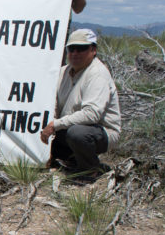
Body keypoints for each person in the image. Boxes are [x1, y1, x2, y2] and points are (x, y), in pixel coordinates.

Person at [39, 29, 120, 181]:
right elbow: (54, 102)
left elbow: (92, 114)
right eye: (71, 49)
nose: (75, 53)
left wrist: (55, 124)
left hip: (100, 131)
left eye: (81, 48)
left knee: (77, 134)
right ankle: (70, 159)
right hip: (68, 127)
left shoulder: (97, 74)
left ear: (93, 50)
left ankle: (89, 170)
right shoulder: (63, 72)